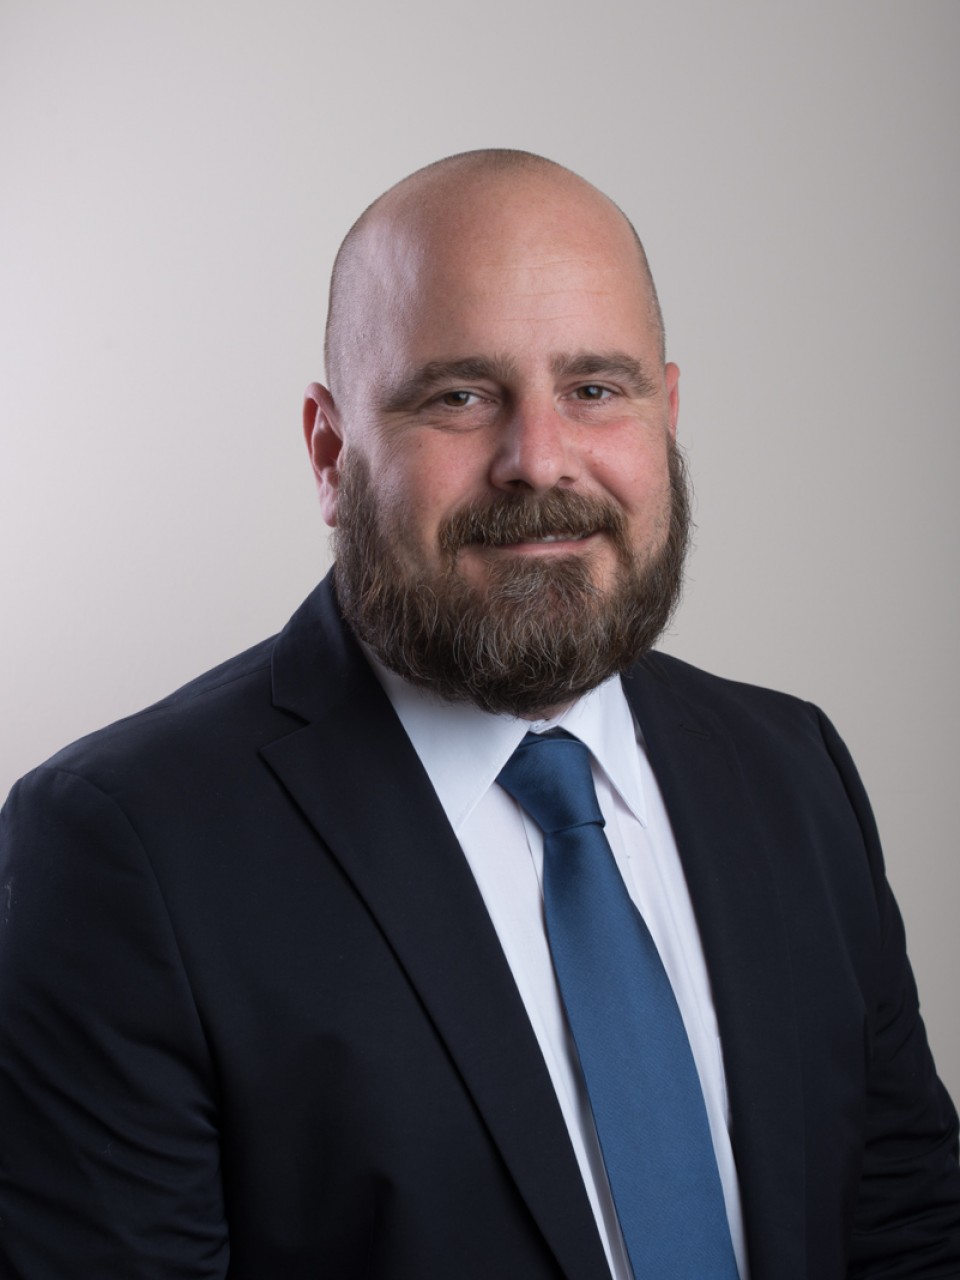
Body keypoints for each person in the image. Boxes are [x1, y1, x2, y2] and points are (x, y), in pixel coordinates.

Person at [1, 149, 958, 1280]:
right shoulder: (121, 849)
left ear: (666, 416)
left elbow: (908, 1230)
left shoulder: (793, 770)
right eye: (458, 395)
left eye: (595, 389)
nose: (539, 460)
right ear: (330, 452)